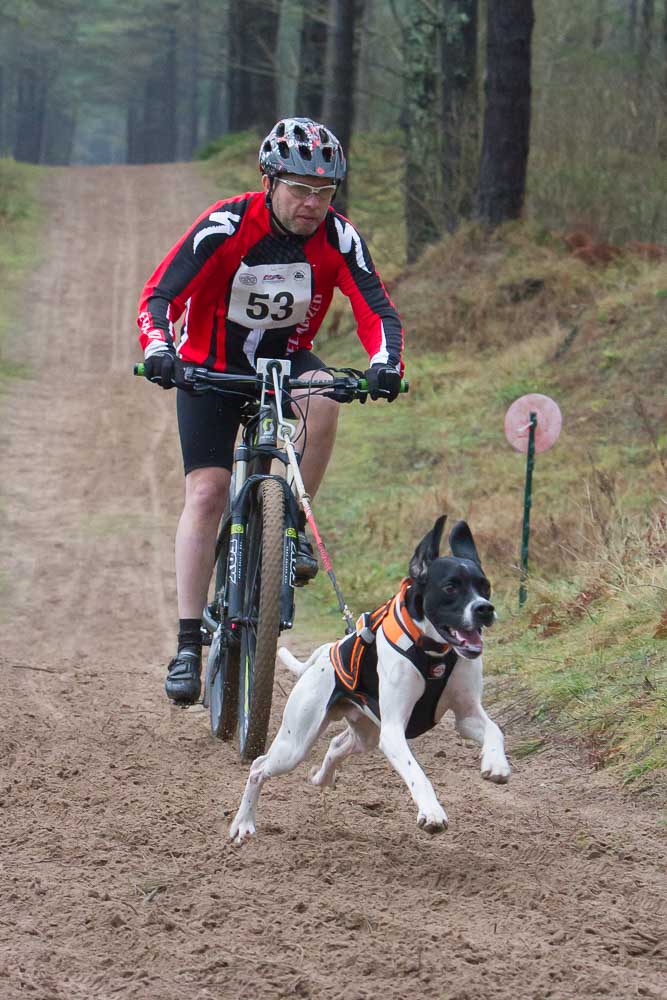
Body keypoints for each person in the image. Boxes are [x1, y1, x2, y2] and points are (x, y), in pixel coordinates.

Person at [136, 117, 405, 706]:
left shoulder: (339, 237)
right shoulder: (226, 224)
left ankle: (290, 529)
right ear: (269, 180)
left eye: (325, 191)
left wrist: (385, 363)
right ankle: (187, 643)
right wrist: (159, 349)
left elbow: (376, 310)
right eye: (300, 189)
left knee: (327, 392)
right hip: (209, 365)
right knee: (206, 493)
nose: (313, 203)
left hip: (284, 362)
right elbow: (159, 294)